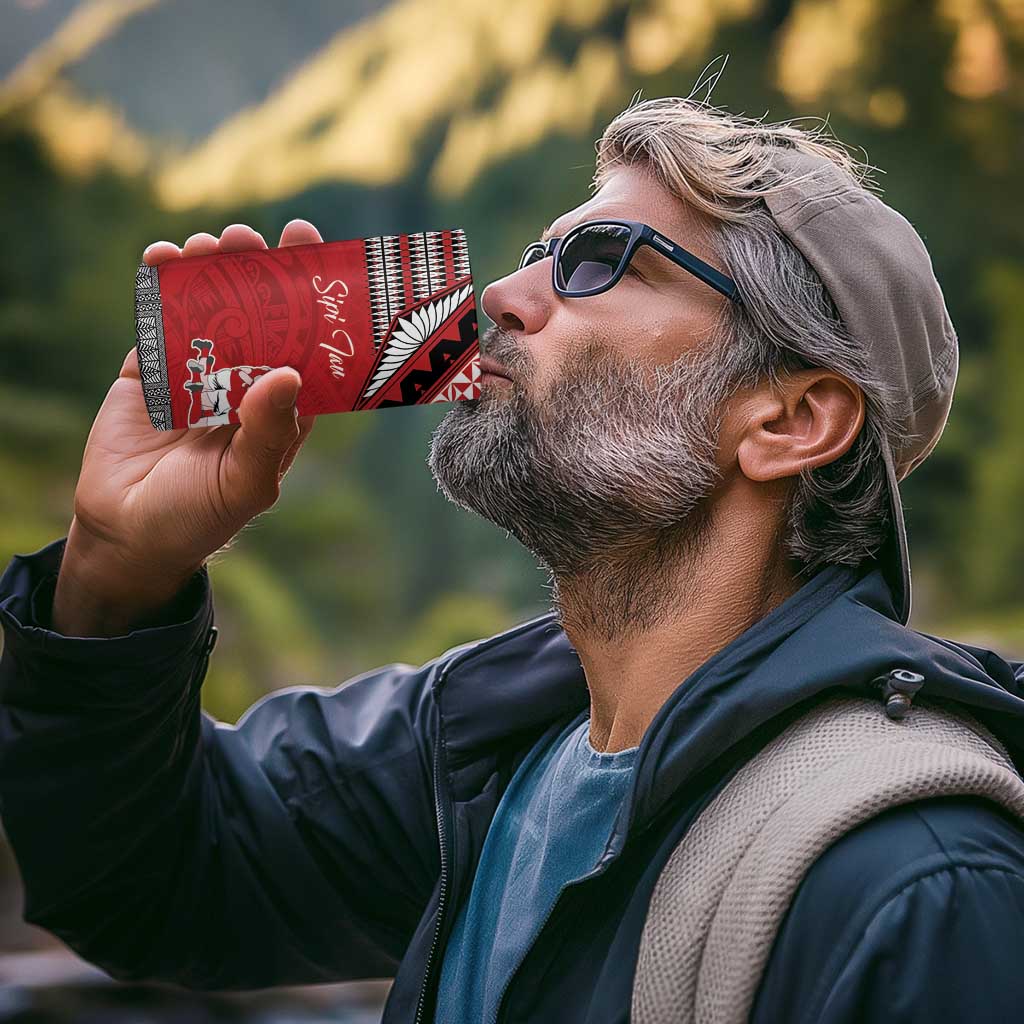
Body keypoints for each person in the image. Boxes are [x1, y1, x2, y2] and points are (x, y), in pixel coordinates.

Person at [2, 94, 1024, 1024]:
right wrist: (115, 574)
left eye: (599, 261)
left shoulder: (918, 884)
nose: (501, 293)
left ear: (790, 419)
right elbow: (149, 880)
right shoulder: (480, 748)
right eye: (541, 252)